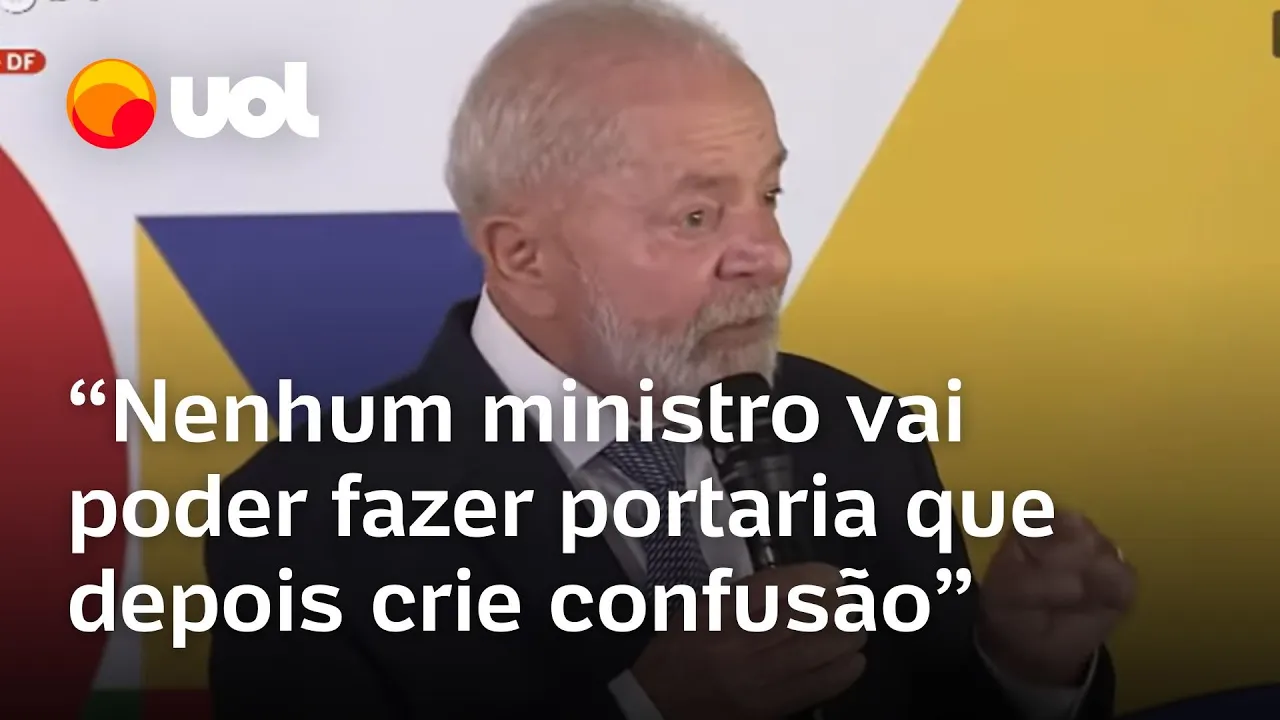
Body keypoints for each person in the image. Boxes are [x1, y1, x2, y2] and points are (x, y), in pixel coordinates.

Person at [205, 0, 1136, 717]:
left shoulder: (862, 437)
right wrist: (646, 710)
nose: (768, 255)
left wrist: (1022, 671)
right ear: (523, 257)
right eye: (696, 215)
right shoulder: (304, 523)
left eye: (769, 196)